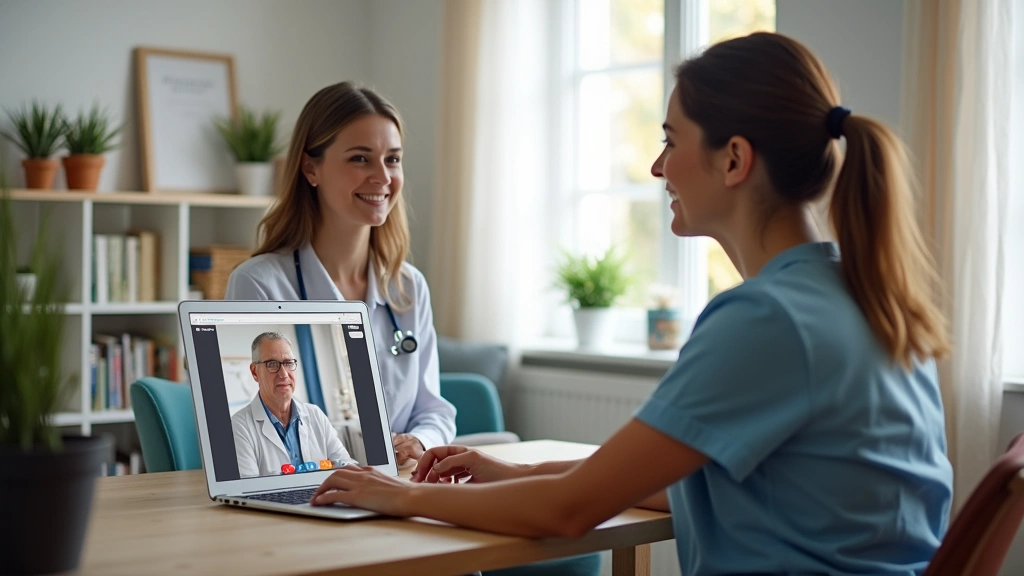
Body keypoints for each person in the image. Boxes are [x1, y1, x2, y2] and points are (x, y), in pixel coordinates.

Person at [307, 32, 954, 575]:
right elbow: (680, 484)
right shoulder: (859, 293)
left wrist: (402, 496)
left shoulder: (767, 320)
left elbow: (568, 510)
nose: (656, 167)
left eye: (671, 140)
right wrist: (501, 472)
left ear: (733, 159)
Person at [225, 82, 457, 466]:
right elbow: (254, 425)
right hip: (308, 491)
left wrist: (419, 441)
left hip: (398, 488)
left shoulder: (408, 287)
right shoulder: (260, 283)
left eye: (393, 160)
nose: (382, 177)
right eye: (360, 159)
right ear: (310, 167)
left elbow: (434, 409)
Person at [232, 332, 355, 478]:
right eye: (272, 364)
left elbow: (346, 467)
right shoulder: (239, 427)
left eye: (289, 363)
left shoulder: (315, 414)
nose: (284, 374)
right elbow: (247, 489)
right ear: (255, 372)